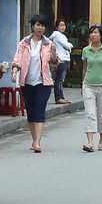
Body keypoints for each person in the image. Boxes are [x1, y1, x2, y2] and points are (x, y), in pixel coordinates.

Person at [10, 13, 58, 153]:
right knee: (30, 113)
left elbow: (54, 63)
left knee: (39, 111)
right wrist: (14, 72)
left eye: (42, 25)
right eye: (37, 25)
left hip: (43, 83)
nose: (40, 28)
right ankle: (34, 139)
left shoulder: (49, 44)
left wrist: (54, 54)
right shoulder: (23, 43)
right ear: (32, 26)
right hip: (27, 82)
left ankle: (37, 142)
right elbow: (17, 60)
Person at [78, 24, 102, 152]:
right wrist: (82, 83)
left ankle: (101, 141)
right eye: (91, 33)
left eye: (95, 33)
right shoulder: (86, 50)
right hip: (88, 85)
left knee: (101, 115)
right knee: (90, 114)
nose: (93, 35)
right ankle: (90, 142)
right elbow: (84, 68)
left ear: (101, 35)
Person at [48, 19, 74, 105]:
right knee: (59, 79)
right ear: (56, 27)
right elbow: (68, 45)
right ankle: (58, 97)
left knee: (61, 79)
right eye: (61, 25)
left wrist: (68, 47)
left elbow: (68, 48)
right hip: (61, 59)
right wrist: (69, 46)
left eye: (64, 25)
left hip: (64, 58)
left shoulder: (61, 36)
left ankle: (61, 97)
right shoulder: (58, 35)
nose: (63, 27)